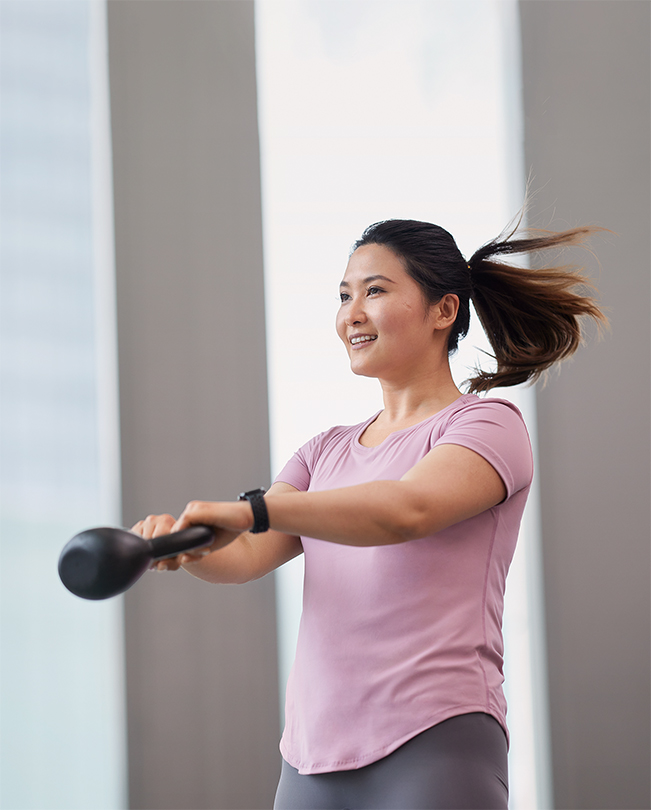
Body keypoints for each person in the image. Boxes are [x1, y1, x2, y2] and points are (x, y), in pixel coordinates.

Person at [132, 218, 606, 810]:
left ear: (443, 310)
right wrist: (185, 545)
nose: (351, 313)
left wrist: (251, 509)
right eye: (344, 295)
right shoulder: (323, 451)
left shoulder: (485, 425)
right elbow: (249, 556)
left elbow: (405, 510)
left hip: (435, 737)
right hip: (310, 757)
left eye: (375, 291)